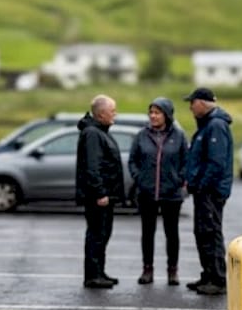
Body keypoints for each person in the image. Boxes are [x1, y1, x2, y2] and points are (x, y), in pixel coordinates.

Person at [127, 98, 188, 286]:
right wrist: (140, 179)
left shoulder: (178, 136)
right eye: (151, 112)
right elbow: (133, 161)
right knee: (147, 233)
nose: (153, 116)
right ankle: (147, 269)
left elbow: (186, 162)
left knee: (172, 234)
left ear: (167, 115)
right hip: (147, 193)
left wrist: (177, 180)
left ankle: (172, 271)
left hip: (171, 194)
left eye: (157, 112)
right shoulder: (141, 136)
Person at [182, 87, 233, 296]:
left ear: (202, 103)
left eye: (192, 103)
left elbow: (216, 163)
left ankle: (218, 279)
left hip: (210, 192)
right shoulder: (206, 125)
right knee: (202, 232)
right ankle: (208, 273)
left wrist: (202, 185)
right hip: (203, 190)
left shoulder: (216, 126)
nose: (190, 107)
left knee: (211, 233)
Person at [75, 94, 125, 289]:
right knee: (96, 234)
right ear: (101, 114)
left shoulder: (100, 131)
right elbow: (92, 167)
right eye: (113, 111)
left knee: (103, 234)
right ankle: (93, 275)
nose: (115, 114)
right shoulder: (93, 134)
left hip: (105, 196)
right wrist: (100, 193)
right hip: (98, 197)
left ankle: (99, 271)